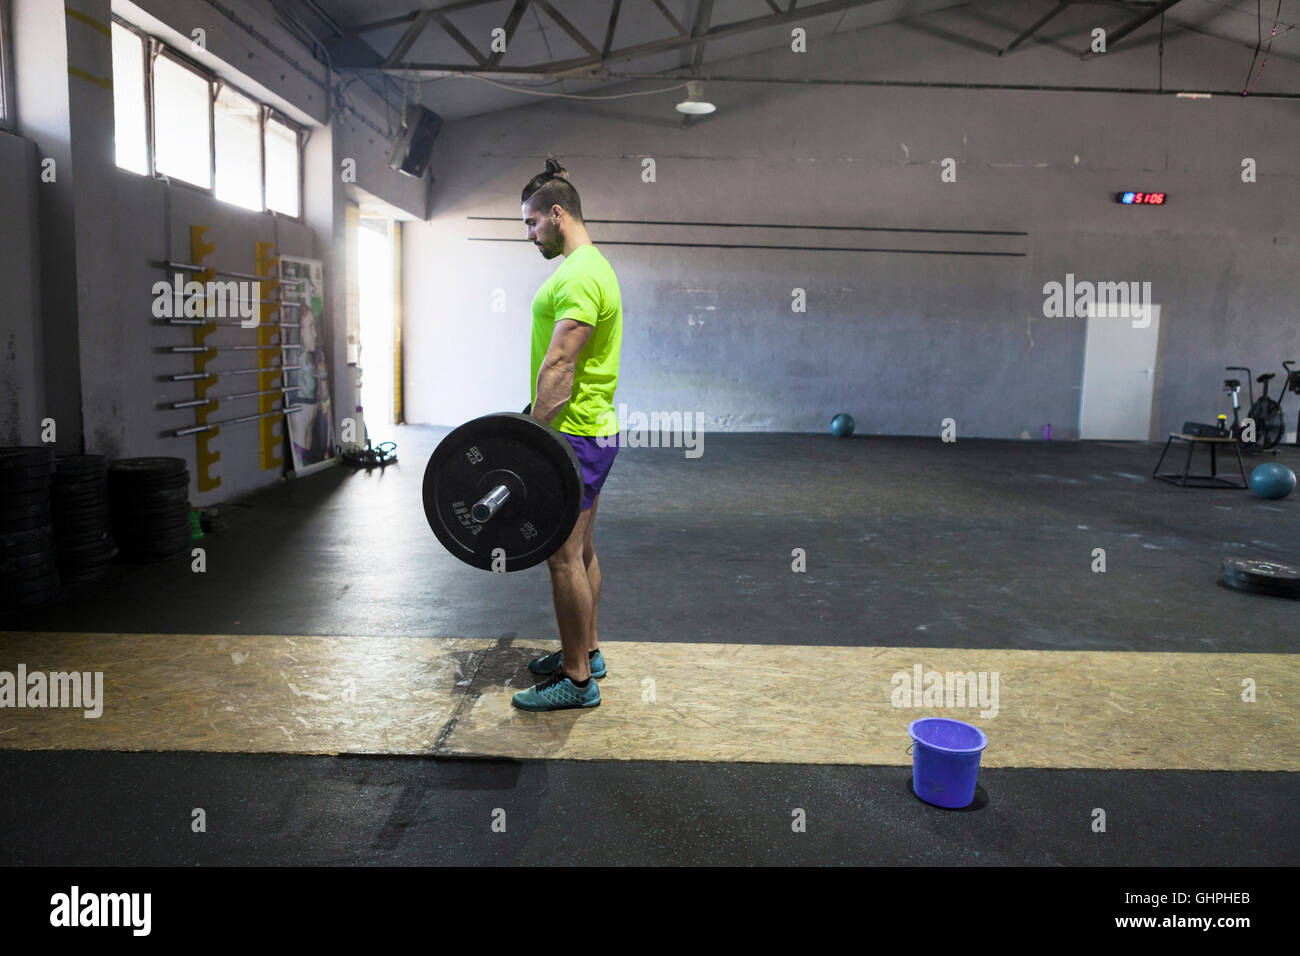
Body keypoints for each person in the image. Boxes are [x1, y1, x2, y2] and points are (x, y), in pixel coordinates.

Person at [511, 158, 623, 712]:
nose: (529, 235)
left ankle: (577, 682)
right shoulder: (590, 266)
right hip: (589, 430)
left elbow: (560, 365)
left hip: (573, 435)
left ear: (558, 214)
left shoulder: (580, 274)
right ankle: (589, 651)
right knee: (580, 551)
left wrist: (534, 437)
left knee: (560, 557)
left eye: (532, 223)